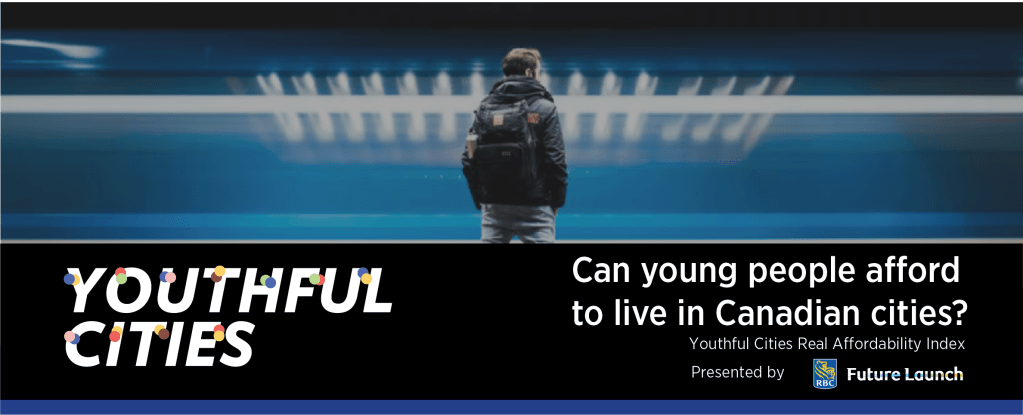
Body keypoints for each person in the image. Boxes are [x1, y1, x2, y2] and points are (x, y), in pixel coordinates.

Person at [461, 48, 568, 243]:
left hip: (494, 205)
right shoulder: (545, 108)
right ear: (529, 72)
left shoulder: (485, 108)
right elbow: (555, 160)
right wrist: (557, 201)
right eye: (539, 71)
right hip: (535, 203)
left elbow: (469, 159)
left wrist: (482, 199)